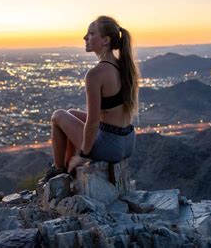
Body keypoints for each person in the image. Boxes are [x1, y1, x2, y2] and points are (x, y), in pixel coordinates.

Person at [43, 15, 140, 181]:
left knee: (58, 115)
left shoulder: (95, 74)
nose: (85, 37)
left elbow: (94, 121)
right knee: (71, 112)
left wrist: (83, 154)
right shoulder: (123, 66)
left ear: (105, 40)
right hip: (128, 141)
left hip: (110, 146)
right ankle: (68, 166)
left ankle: (59, 171)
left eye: (91, 33)